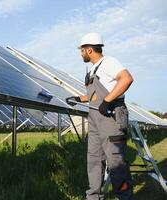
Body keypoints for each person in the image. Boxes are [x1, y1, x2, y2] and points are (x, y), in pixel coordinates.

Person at [66, 32, 134, 200]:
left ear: (89, 50)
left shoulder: (109, 62)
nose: (80, 53)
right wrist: (79, 98)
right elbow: (96, 94)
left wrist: (107, 101)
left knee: (116, 161)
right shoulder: (94, 68)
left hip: (110, 116)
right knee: (94, 159)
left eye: (81, 50)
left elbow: (126, 79)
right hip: (95, 118)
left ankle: (125, 197)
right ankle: (93, 197)